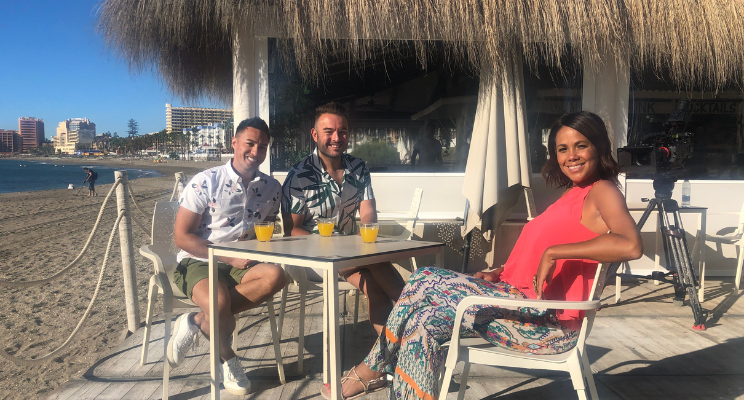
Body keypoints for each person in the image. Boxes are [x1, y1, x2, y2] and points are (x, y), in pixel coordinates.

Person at [321, 111, 643, 400]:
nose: (571, 156)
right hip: (514, 304)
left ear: (598, 146)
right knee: (423, 321)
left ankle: (370, 368)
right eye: (562, 149)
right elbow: (541, 252)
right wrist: (500, 271)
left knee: (423, 278)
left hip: (545, 324)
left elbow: (631, 245)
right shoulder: (573, 194)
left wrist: (554, 252)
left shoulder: (602, 190)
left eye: (580, 146)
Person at [170, 117, 287, 395]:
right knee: (221, 306)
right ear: (234, 143)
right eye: (250, 143)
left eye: (262, 146)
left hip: (243, 261)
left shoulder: (272, 187)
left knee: (277, 275)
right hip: (199, 260)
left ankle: (196, 321)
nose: (256, 151)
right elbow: (182, 237)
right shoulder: (205, 181)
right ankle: (229, 359)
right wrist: (227, 258)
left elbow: (266, 230)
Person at [281, 101, 405, 336]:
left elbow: (368, 213)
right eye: (329, 131)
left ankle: (390, 348)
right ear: (315, 134)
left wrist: (364, 236)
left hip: (351, 255)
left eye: (343, 131)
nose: (337, 138)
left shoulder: (358, 167)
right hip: (310, 259)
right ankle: (416, 312)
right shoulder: (299, 175)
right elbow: (292, 230)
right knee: (377, 261)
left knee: (376, 286)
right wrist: (339, 248)